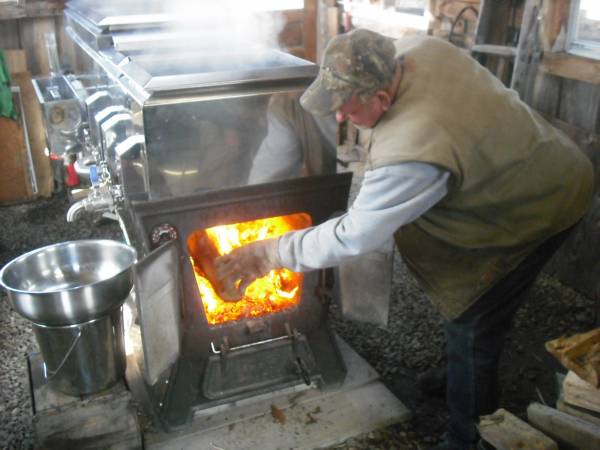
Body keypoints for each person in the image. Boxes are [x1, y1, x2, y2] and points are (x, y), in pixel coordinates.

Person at [214, 29, 594, 449]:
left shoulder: (413, 150)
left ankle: (468, 433)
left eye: (348, 107)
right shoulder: (417, 48)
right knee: (472, 317)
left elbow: (353, 236)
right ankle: (457, 376)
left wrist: (269, 253)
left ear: (382, 98)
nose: (339, 118)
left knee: (475, 319)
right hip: (528, 159)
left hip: (538, 206)